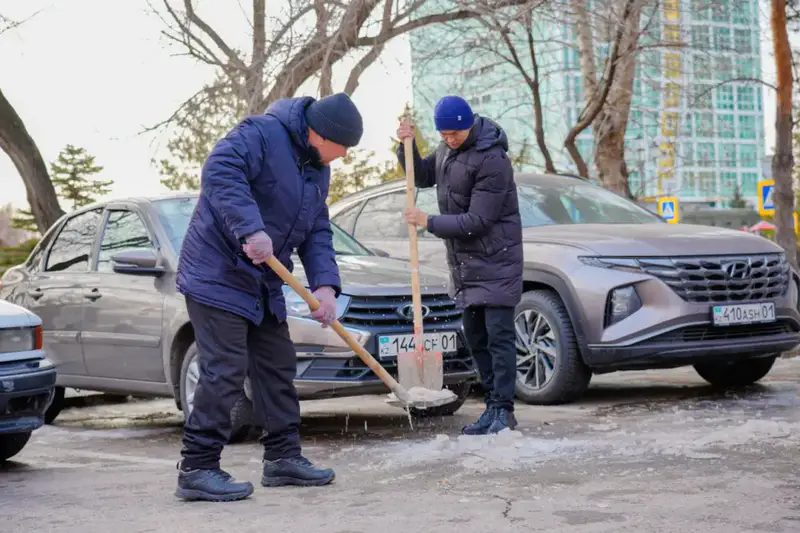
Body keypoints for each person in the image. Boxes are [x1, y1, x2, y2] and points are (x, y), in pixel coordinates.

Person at [174, 92, 364, 502]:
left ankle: (282, 458)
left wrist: (325, 286)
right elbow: (220, 171)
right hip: (216, 273)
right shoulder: (261, 133)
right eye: (342, 148)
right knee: (225, 368)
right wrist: (249, 229)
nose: (343, 156)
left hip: (262, 280)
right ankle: (198, 466)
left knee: (277, 365)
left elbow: (316, 230)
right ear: (321, 134)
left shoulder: (318, 169)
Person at [397, 95, 523, 435]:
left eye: (456, 133)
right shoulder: (445, 150)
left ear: (469, 124)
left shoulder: (493, 159)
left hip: (497, 260)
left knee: (498, 338)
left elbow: (479, 219)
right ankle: (491, 406)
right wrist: (406, 146)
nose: (450, 139)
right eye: (444, 134)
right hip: (466, 266)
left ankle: (504, 410)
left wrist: (427, 220)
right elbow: (422, 175)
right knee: (476, 338)